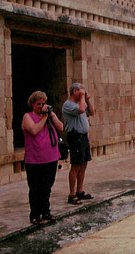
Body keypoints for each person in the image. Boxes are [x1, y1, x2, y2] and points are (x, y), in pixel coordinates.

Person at [22, 91, 64, 225]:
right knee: (35, 188)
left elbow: (61, 127)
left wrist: (51, 114)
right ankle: (35, 214)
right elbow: (34, 130)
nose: (41, 106)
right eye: (38, 104)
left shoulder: (49, 116)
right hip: (35, 159)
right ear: (32, 104)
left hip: (51, 157)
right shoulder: (27, 117)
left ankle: (45, 211)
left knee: (47, 186)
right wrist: (44, 118)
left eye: (43, 103)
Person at [62, 83, 95, 204]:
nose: (83, 93)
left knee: (84, 163)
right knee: (75, 165)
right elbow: (81, 110)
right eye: (81, 91)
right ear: (74, 91)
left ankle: (79, 190)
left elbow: (91, 112)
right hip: (75, 136)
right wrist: (82, 98)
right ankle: (71, 194)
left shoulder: (81, 102)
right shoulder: (68, 105)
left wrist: (87, 100)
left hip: (83, 137)